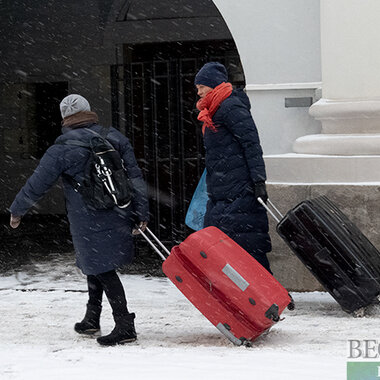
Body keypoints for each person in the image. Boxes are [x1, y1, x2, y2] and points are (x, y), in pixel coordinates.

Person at [9, 94, 149, 346]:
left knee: (102, 267)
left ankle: (125, 324)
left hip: (88, 217)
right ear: (89, 112)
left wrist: (17, 210)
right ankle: (92, 317)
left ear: (65, 119)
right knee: (94, 262)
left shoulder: (62, 149)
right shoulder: (114, 137)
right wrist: (142, 212)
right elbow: (135, 177)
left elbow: (37, 184)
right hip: (119, 211)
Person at [194, 62, 272, 272]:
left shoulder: (230, 107)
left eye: (201, 86)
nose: (198, 91)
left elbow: (251, 143)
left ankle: (271, 294)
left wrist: (258, 181)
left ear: (213, 85)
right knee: (224, 244)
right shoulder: (214, 110)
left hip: (239, 188)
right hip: (222, 189)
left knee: (247, 244)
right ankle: (245, 297)